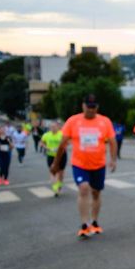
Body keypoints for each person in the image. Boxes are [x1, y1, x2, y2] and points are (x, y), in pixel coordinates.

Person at [51, 94, 118, 239]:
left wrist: (113, 159)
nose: (91, 110)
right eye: (88, 106)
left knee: (96, 193)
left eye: (93, 107)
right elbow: (62, 145)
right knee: (84, 188)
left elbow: (112, 141)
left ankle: (94, 221)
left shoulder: (105, 121)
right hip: (79, 164)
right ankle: (84, 225)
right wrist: (56, 163)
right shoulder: (73, 121)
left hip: (98, 164)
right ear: (83, 106)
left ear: (97, 107)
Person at [41, 121, 66, 196]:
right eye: (51, 127)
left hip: (61, 155)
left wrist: (60, 147)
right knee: (53, 171)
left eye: (54, 127)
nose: (53, 128)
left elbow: (67, 143)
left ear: (58, 127)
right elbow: (42, 143)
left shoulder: (62, 134)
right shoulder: (46, 135)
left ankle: (59, 185)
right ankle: (55, 188)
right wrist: (47, 148)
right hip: (51, 155)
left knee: (61, 172)